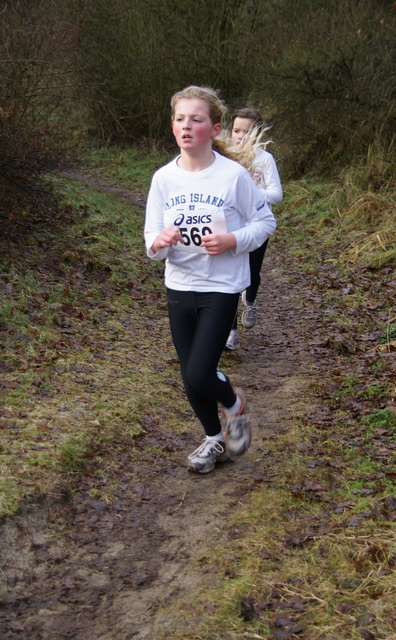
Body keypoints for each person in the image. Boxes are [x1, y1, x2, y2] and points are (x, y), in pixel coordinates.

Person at [144, 86, 276, 474]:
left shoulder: (233, 176)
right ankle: (214, 439)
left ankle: (235, 406)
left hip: (221, 287)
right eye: (180, 119)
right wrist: (160, 242)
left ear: (214, 128)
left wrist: (233, 239)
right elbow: (151, 241)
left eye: (196, 119)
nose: (187, 126)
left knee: (201, 371)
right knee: (189, 374)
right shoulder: (163, 179)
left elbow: (266, 221)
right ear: (172, 127)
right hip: (179, 284)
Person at [225, 107, 283, 351]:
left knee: (252, 273)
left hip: (258, 224)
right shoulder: (224, 156)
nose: (240, 136)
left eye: (247, 131)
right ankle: (231, 331)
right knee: (229, 277)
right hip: (232, 225)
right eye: (237, 130)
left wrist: (250, 193)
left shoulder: (264, 159)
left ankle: (250, 300)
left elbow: (277, 195)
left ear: (257, 132)